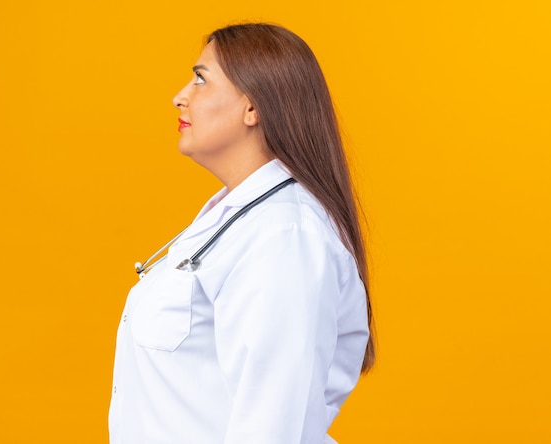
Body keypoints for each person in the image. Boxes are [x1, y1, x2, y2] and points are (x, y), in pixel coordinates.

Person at [109, 23, 374, 444]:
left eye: (201, 79)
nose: (180, 96)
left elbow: (272, 426)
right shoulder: (240, 218)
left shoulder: (284, 235)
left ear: (252, 108)